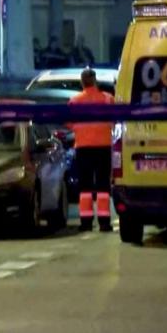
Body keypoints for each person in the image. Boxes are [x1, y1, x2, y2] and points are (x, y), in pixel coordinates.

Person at [68, 68, 115, 232]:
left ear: (82, 82)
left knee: (85, 187)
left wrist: (80, 129)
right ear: (95, 81)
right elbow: (115, 120)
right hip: (103, 146)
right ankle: (104, 222)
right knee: (103, 185)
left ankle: (86, 222)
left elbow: (68, 122)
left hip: (83, 147)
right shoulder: (108, 99)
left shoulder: (75, 101)